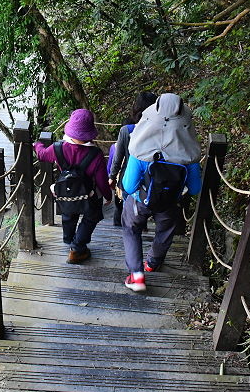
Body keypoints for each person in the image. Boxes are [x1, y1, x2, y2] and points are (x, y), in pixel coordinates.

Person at [120, 93, 202, 292]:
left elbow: (129, 186)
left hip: (141, 202)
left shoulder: (140, 148)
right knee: (165, 230)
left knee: (131, 228)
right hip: (169, 203)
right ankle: (152, 262)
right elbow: (195, 188)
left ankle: (137, 275)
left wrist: (143, 193)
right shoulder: (189, 153)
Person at [34, 109, 111, 264]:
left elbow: (42, 154)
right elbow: (102, 180)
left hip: (66, 192)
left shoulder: (57, 148)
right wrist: (108, 196)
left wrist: (37, 144)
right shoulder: (96, 154)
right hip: (88, 194)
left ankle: (69, 239)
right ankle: (76, 248)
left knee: (69, 213)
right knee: (92, 217)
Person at [108, 92, 157, 226]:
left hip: (129, 178)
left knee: (129, 214)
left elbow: (118, 159)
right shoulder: (162, 130)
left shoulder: (127, 130)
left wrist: (112, 177)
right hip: (153, 179)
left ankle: (131, 236)